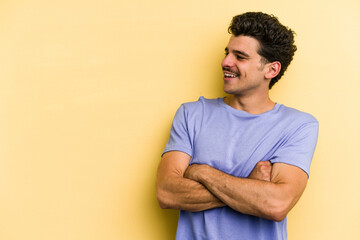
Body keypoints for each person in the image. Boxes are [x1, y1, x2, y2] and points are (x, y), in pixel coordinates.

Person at [156, 12, 319, 240]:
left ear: (271, 70)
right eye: (227, 53)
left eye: (240, 57)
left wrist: (201, 171)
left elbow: (276, 204)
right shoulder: (191, 114)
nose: (225, 62)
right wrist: (251, 186)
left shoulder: (298, 126)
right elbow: (167, 193)